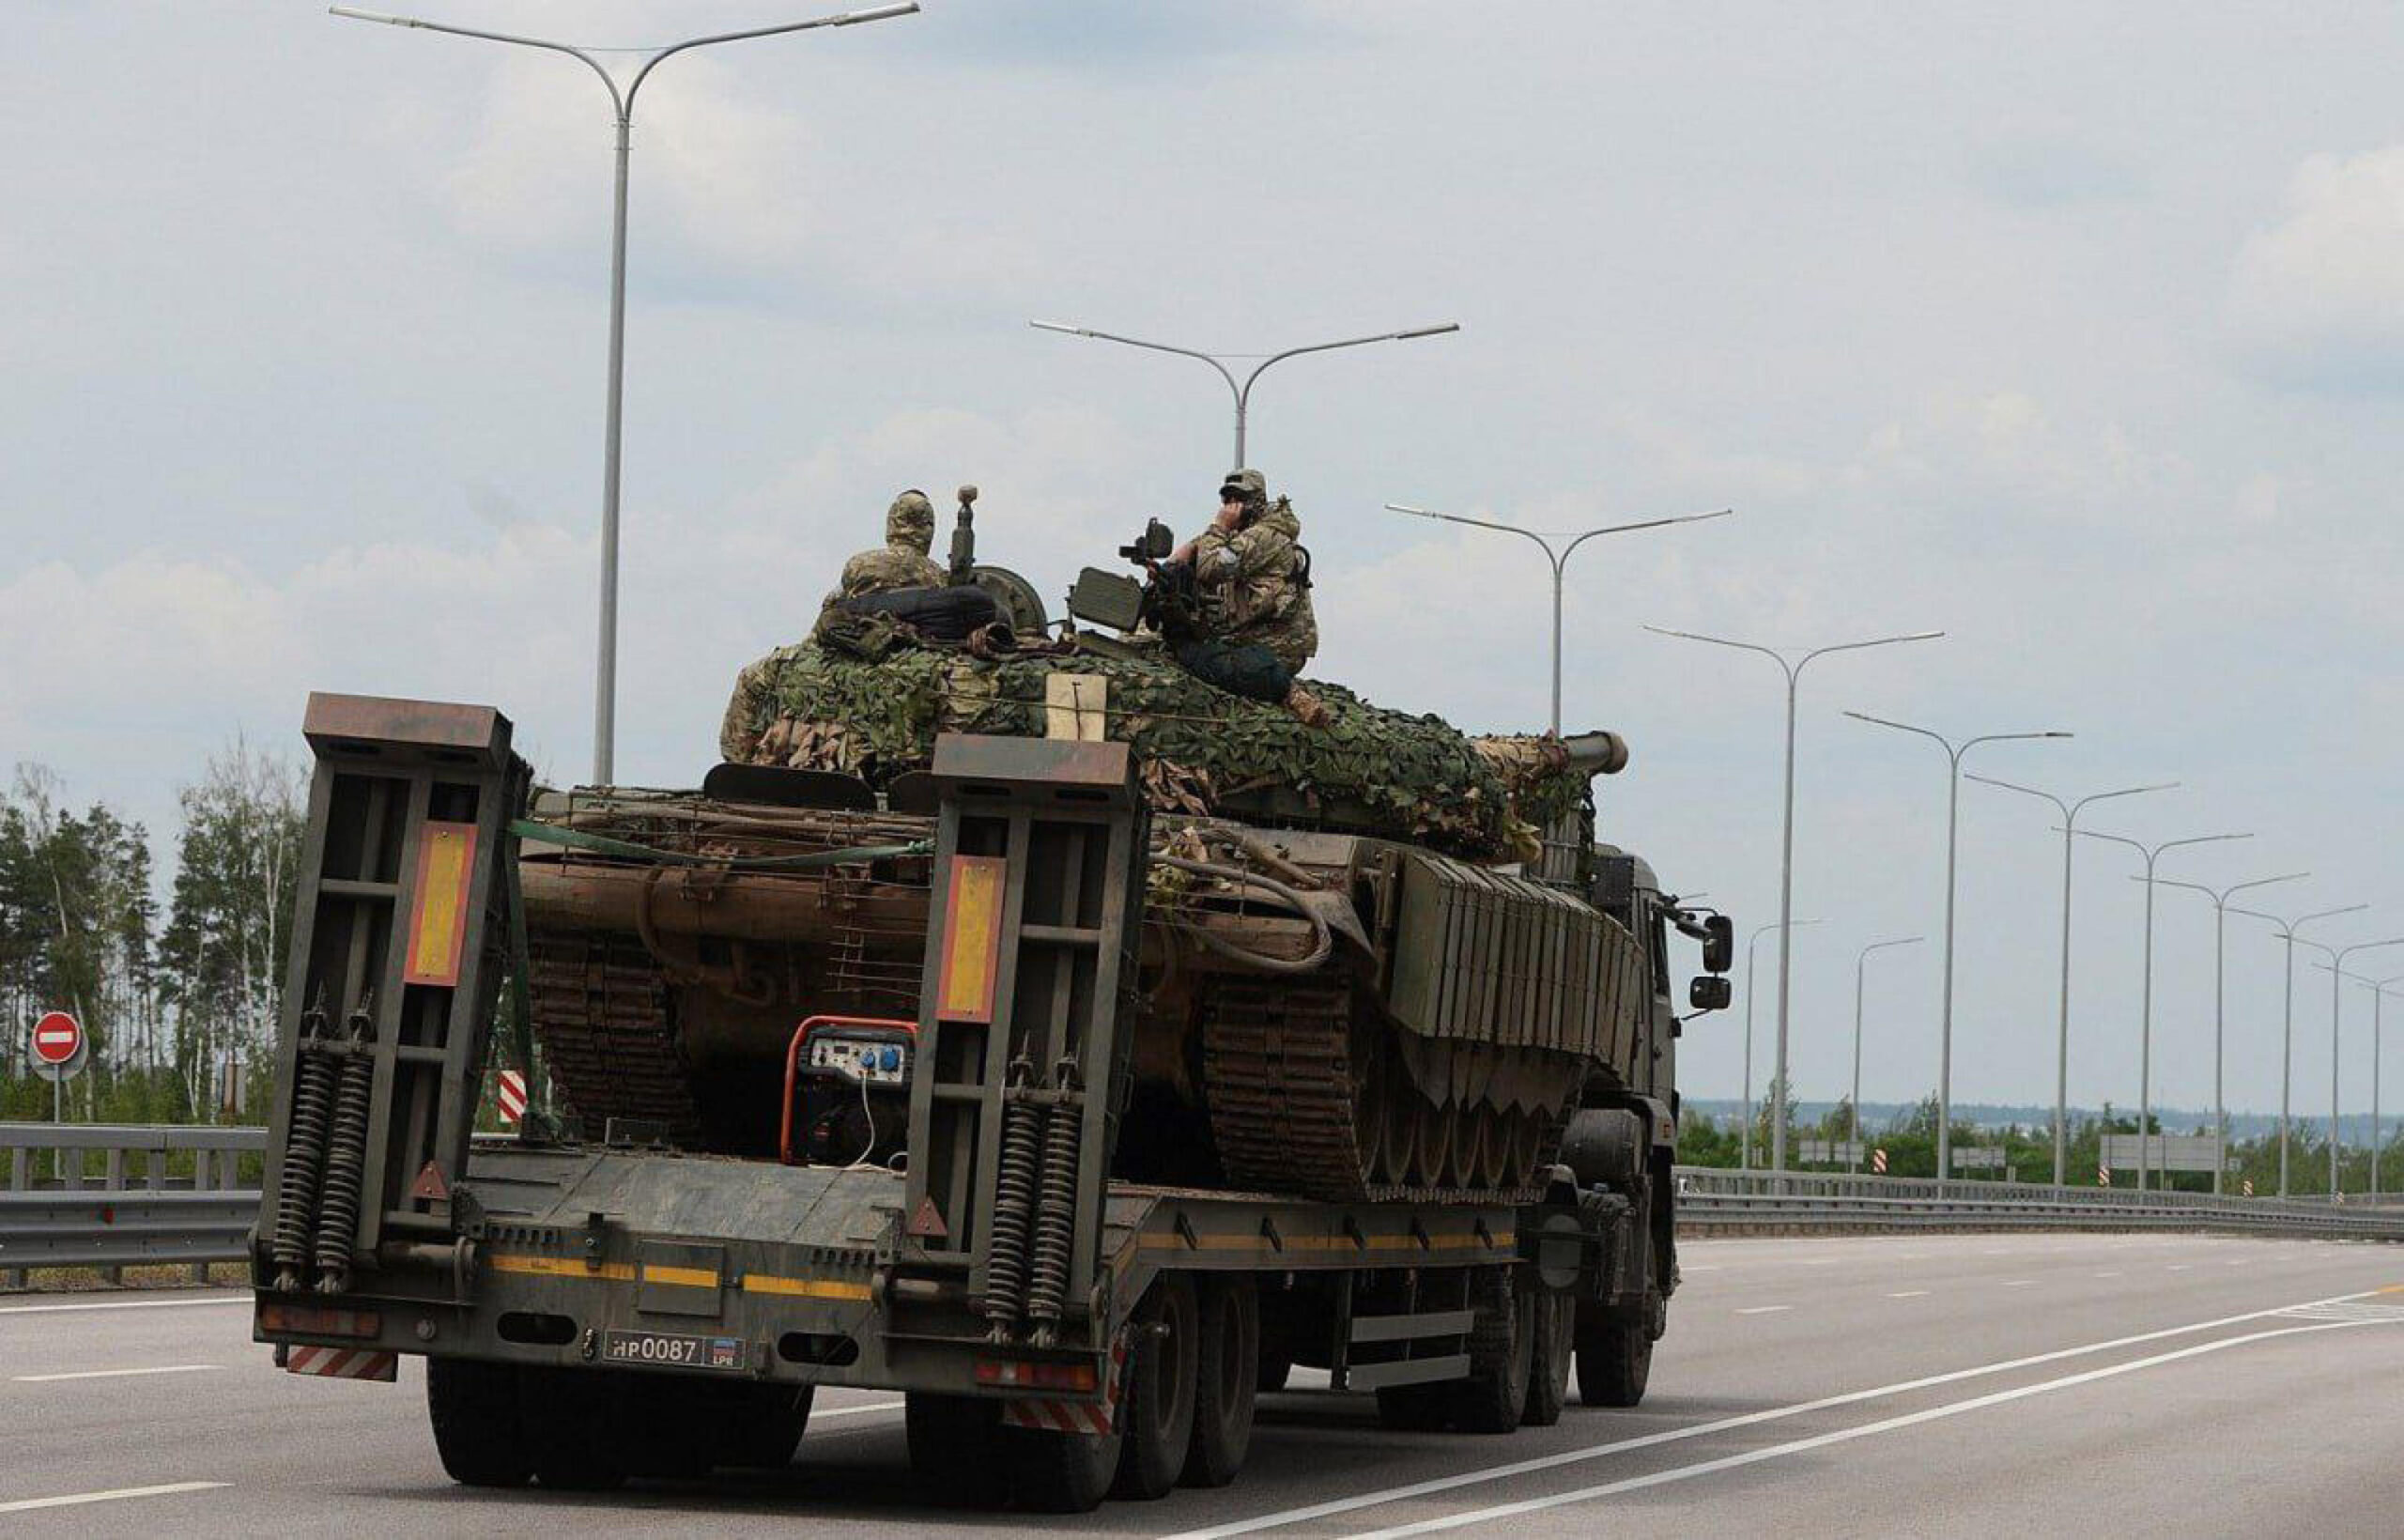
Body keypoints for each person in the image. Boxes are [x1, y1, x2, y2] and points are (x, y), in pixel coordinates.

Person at [1172, 468, 1318, 673]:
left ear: (1258, 500)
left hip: (1276, 647)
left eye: (1239, 498)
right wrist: (1172, 567)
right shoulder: (1244, 535)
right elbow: (1192, 556)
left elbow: (1210, 568)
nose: (1232, 506)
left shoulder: (1265, 535)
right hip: (1251, 640)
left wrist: (1220, 526)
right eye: (1227, 499)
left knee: (1196, 660)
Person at [824, 489, 946, 611]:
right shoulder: (939, 577)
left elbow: (830, 609)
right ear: (928, 528)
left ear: (892, 521)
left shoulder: (860, 563)